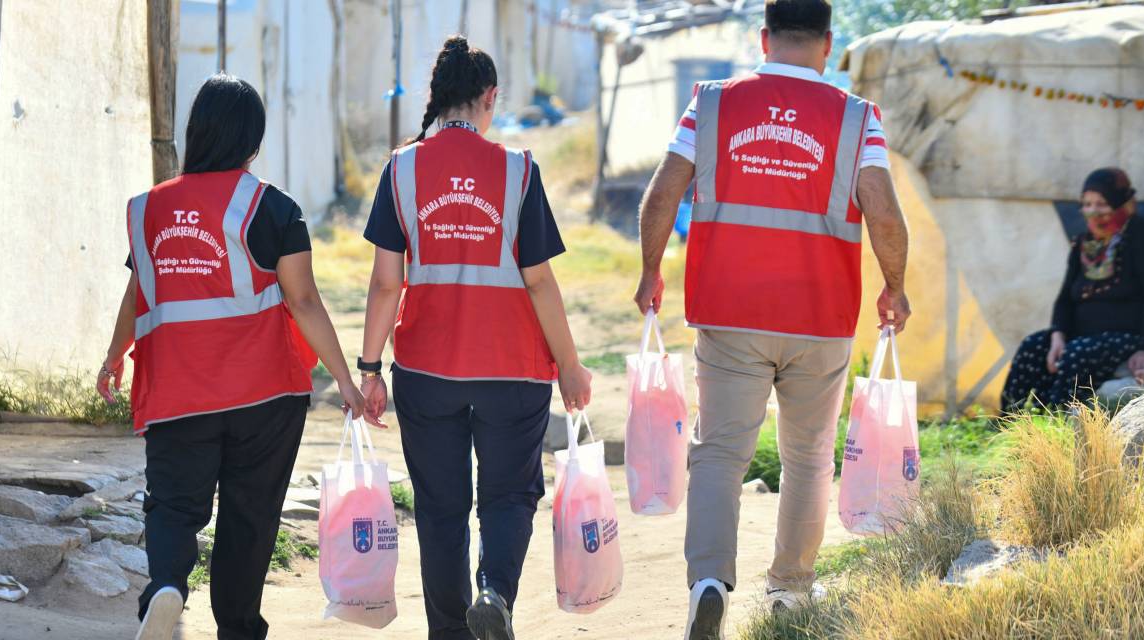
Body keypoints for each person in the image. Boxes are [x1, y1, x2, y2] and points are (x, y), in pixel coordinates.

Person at [632, 1, 911, 637]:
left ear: (764, 38)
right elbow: (885, 215)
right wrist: (895, 287)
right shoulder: (856, 118)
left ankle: (708, 581)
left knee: (720, 453)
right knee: (809, 456)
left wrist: (651, 270)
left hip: (729, 310)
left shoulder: (710, 103)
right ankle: (789, 591)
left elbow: (662, 192)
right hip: (820, 316)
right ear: (829, 45)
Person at [95, 74, 366, 640]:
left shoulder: (150, 209)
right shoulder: (274, 208)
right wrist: (346, 379)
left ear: (197, 134)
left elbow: (136, 293)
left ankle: (166, 585)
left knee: (171, 506)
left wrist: (113, 356)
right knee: (249, 518)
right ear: (254, 140)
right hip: (264, 397)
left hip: (176, 392)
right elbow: (304, 299)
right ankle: (239, 630)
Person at [356, 35, 592, 640]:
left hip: (427, 372)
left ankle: (450, 633)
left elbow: (386, 283)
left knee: (440, 510)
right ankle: (495, 594)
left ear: (439, 100)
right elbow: (539, 281)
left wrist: (370, 368)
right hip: (513, 370)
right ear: (489, 99)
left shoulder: (401, 169)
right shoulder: (518, 171)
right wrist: (569, 365)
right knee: (509, 497)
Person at [1001, 168, 1144, 411]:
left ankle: (1059, 423)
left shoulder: (1141, 236)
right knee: (1033, 346)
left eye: (1102, 204)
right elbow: (1066, 298)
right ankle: (1007, 422)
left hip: (1128, 337)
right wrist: (1058, 336)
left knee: (1076, 353)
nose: (1093, 212)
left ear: (1120, 204)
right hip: (1082, 334)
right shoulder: (1084, 244)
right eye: (1087, 204)